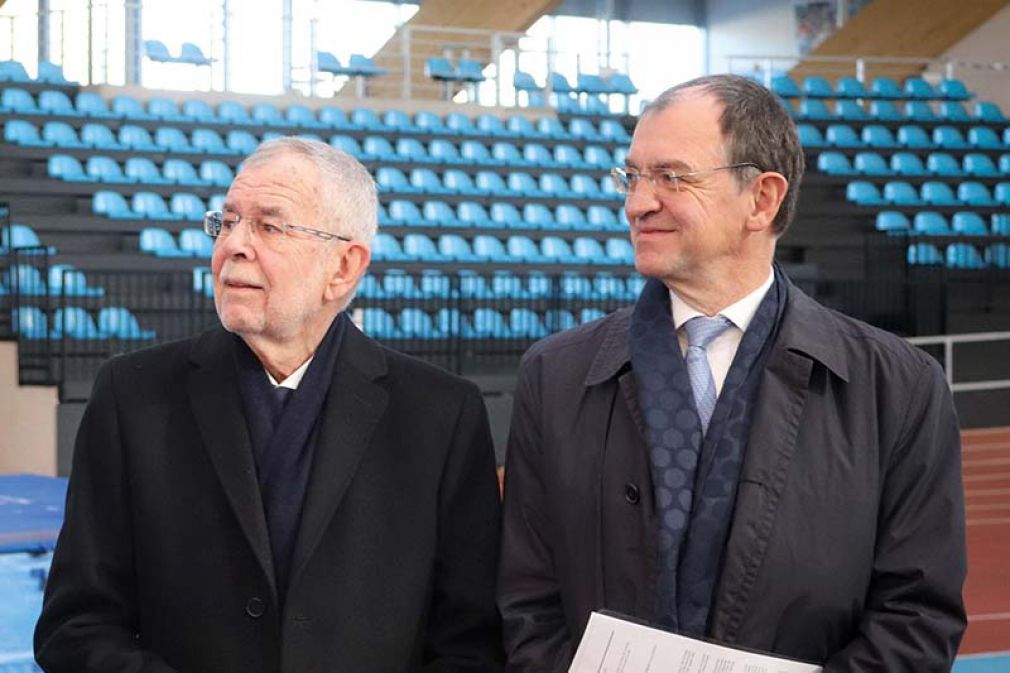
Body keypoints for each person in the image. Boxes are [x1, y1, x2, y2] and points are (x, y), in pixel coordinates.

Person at [498, 74, 966, 671]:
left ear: (763, 199)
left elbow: (916, 618)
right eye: (632, 176)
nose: (637, 203)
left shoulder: (899, 387)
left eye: (672, 177)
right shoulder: (555, 375)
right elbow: (526, 604)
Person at [35, 137, 504, 672]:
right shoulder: (133, 395)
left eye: (269, 226)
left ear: (344, 267)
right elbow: (76, 626)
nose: (234, 244)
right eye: (227, 221)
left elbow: (472, 644)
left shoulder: (440, 415)